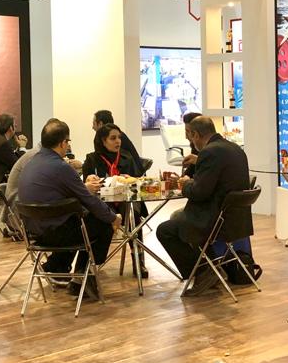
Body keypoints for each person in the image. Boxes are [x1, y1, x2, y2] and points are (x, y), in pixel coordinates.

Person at [15, 119, 121, 297]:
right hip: (55, 234)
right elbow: (88, 200)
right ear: (63, 143)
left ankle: (56, 265)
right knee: (102, 223)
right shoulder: (61, 167)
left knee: (79, 221)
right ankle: (84, 278)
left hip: (33, 233)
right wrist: (113, 217)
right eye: (68, 141)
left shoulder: (31, 163)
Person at [156, 116, 252, 293]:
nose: (190, 140)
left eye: (190, 135)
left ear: (196, 134)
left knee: (165, 230)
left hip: (215, 221)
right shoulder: (235, 148)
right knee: (178, 221)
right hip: (237, 220)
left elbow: (199, 193)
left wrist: (185, 184)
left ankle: (203, 273)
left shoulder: (210, 152)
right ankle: (209, 268)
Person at [82, 122, 149, 278]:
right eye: (113, 138)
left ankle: (138, 259)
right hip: (104, 202)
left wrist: (130, 179)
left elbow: (137, 182)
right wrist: (91, 180)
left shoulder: (127, 157)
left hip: (126, 200)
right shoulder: (91, 159)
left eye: (119, 137)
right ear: (103, 141)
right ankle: (92, 263)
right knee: (102, 216)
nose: (118, 141)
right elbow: (87, 187)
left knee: (132, 214)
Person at [179, 110, 203, 177]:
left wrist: (198, 161)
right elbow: (189, 173)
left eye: (188, 132)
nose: (186, 137)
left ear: (197, 133)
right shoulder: (194, 146)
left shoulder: (212, 150)